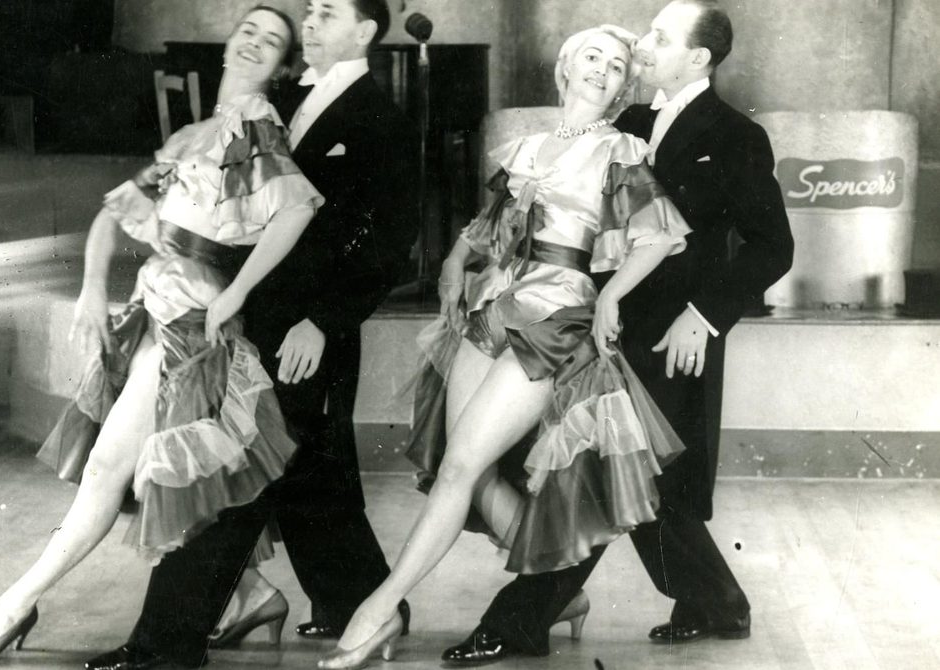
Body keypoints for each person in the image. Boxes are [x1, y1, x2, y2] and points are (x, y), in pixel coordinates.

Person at [0, 6, 322, 664]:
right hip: (153, 319)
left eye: (272, 42)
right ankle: (253, 596)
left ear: (282, 67)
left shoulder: (255, 126)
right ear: (228, 44)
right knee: (145, 481)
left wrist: (236, 291)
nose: (254, 44)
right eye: (248, 31)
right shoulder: (193, 136)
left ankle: (13, 605)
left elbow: (294, 211)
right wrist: (92, 290)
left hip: (190, 335)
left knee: (112, 470)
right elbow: (110, 218)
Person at [319, 25, 697, 670]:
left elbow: (659, 237)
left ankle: (378, 609)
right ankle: (556, 594)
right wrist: (453, 262)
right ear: (565, 69)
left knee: (461, 468)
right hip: (493, 307)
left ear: (622, 88)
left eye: (616, 65)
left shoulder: (620, 149)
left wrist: (611, 295)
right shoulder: (527, 146)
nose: (603, 69)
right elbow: (488, 227)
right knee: (467, 473)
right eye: (592, 57)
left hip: (555, 318)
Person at [441, 1, 795, 665]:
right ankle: (715, 601)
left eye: (659, 36)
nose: (642, 44)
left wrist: (703, 317)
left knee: (616, 480)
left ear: (698, 58)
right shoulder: (626, 123)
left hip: (671, 338)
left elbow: (772, 247)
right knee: (620, 480)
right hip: (593, 326)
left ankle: (520, 619)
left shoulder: (737, 135)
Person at [84, 1, 421, 668]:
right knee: (308, 477)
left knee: (234, 475)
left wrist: (323, 322)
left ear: (364, 32)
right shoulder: (279, 100)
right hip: (245, 317)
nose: (312, 22)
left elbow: (389, 241)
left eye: (328, 13)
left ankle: (164, 646)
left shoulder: (382, 118)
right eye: (310, 11)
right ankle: (364, 603)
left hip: (306, 331)